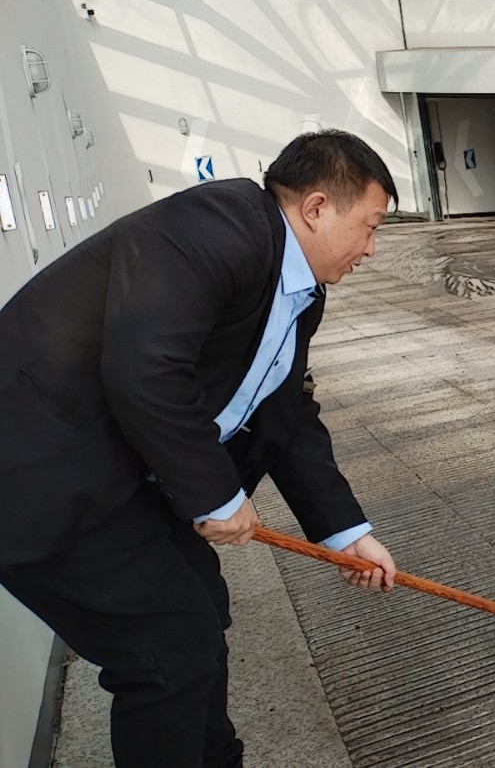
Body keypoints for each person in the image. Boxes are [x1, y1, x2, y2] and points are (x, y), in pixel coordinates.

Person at [0, 130, 404, 768]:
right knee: (168, 648)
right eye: (370, 227)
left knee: (199, 605)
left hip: (120, 471)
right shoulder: (219, 226)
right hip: (39, 471)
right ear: (317, 207)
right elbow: (146, 368)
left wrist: (345, 533)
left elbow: (286, 414)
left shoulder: (298, 291)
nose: (371, 249)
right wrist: (216, 494)